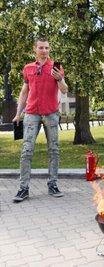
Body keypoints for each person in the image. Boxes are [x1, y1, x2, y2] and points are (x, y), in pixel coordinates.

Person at [12, 37, 68, 202]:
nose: (44, 51)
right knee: (26, 151)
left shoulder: (55, 68)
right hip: (31, 114)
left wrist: (59, 78)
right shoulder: (28, 68)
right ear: (35, 49)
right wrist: (18, 113)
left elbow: (64, 90)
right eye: (41, 48)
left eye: (47, 48)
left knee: (54, 150)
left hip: (51, 113)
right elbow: (24, 92)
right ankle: (23, 188)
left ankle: (53, 184)